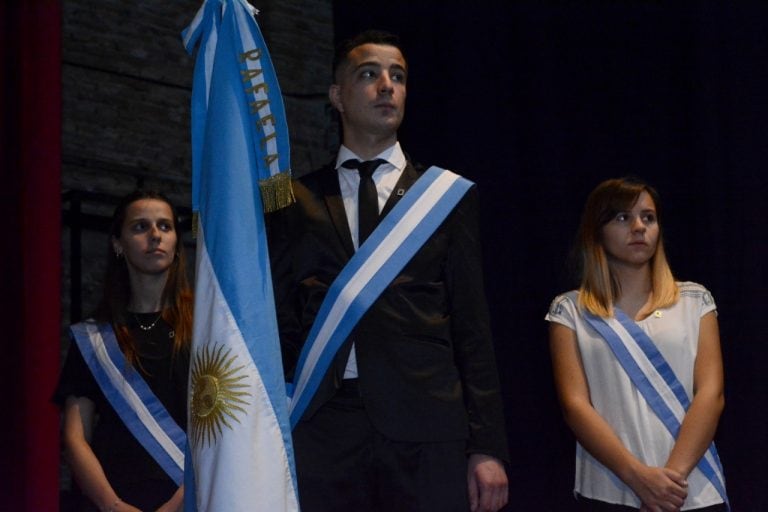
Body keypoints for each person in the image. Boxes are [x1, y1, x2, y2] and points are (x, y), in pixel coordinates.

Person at [268, 30, 509, 511]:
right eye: (369, 74)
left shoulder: (447, 196)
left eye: (397, 76)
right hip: (323, 428)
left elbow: (472, 326)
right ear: (337, 96)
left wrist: (487, 446)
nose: (386, 86)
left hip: (427, 427)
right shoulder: (291, 199)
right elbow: (280, 320)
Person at [546, 178, 728, 512]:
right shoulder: (570, 310)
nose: (639, 227)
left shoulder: (694, 300)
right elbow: (575, 405)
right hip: (611, 490)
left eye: (648, 217)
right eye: (622, 218)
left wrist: (667, 483)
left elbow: (711, 395)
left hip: (689, 490)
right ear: (596, 229)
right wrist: (639, 478)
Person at [54, 190, 193, 512]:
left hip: (193, 499)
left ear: (175, 244)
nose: (155, 235)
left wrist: (181, 503)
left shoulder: (207, 330)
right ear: (118, 244)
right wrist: (112, 505)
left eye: (165, 226)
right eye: (140, 227)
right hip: (114, 499)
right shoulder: (93, 338)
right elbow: (75, 438)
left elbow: (225, 430)